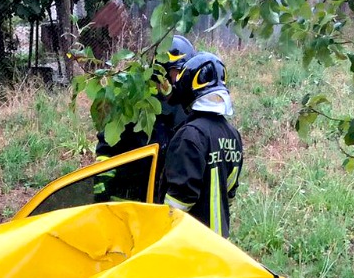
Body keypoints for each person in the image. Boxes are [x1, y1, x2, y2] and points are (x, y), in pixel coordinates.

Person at [158, 51, 243, 236]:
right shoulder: (232, 134)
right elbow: (229, 191)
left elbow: (180, 200)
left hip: (191, 242)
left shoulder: (189, 136)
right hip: (219, 242)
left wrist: (159, 227)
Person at [93, 33, 195, 163]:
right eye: (179, 72)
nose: (184, 77)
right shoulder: (132, 103)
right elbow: (106, 152)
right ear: (162, 73)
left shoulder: (193, 105)